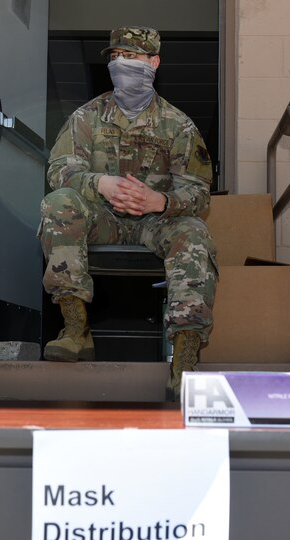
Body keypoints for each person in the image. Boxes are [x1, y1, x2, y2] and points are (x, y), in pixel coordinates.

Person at [38, 26, 217, 400]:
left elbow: (199, 192)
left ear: (153, 63)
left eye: (132, 57)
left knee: (194, 232)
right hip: (102, 219)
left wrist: (161, 202)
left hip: (157, 224)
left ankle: (184, 359)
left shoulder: (178, 124)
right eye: (116, 58)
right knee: (59, 203)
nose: (122, 65)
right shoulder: (87, 116)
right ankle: (75, 329)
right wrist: (99, 183)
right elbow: (59, 171)